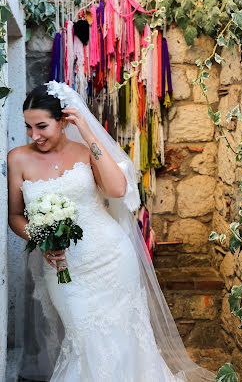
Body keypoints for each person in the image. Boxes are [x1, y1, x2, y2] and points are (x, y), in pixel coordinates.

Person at [8, 81, 215, 382]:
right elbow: (15, 216)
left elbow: (117, 189)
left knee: (127, 335)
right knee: (84, 337)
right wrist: (41, 239)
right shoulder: (18, 158)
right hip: (65, 268)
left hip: (112, 258)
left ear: (64, 121)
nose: (34, 135)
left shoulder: (84, 151)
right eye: (29, 127)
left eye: (41, 126)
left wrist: (88, 131)